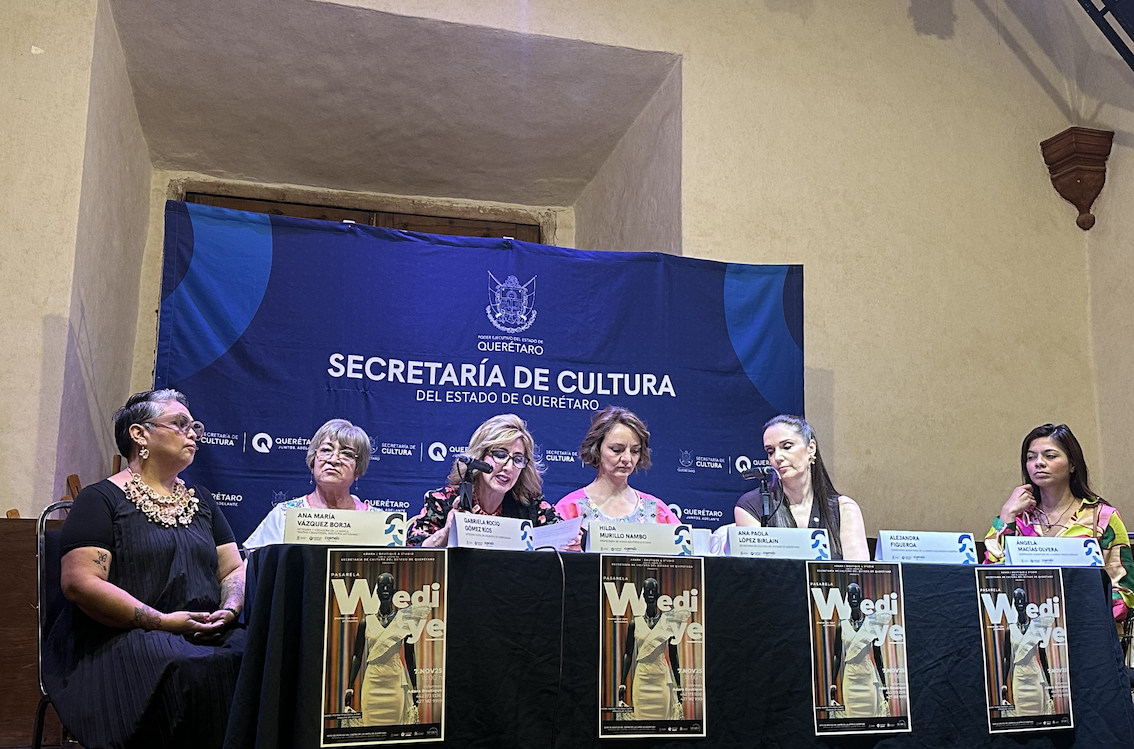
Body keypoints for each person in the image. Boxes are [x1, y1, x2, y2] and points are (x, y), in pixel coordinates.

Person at [43, 389, 245, 749]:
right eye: (180, 424)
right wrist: (163, 621)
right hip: (118, 637)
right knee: (187, 666)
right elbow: (80, 582)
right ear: (139, 434)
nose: (192, 433)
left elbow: (232, 569)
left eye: (194, 426)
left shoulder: (202, 501)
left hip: (202, 630)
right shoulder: (100, 499)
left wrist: (230, 608)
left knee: (258, 653)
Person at [984, 423, 1134, 622]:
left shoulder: (1102, 517)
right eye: (1031, 457)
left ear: (1072, 464)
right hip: (1027, 628)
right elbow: (990, 581)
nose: (1039, 463)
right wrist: (1006, 515)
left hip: (1088, 627)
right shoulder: (1019, 519)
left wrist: (1079, 617)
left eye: (1050, 455)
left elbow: (1123, 591)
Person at [407, 414, 567, 547]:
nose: (508, 467)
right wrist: (446, 533)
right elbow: (413, 552)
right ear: (480, 456)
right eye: (500, 455)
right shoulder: (443, 502)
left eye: (518, 459)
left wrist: (570, 542)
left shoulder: (530, 505)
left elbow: (563, 534)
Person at [734, 415, 869, 560]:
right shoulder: (751, 507)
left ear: (811, 448)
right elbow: (757, 570)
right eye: (770, 451)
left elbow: (856, 571)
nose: (777, 457)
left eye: (787, 447)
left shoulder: (844, 508)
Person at [243, 418, 377, 550]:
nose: (333, 459)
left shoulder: (377, 521)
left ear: (358, 468)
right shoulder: (284, 515)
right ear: (313, 461)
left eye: (347, 454)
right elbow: (256, 561)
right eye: (326, 450)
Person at [555, 406, 679, 527]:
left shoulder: (656, 510)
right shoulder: (571, 508)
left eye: (635, 451)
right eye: (616, 450)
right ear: (597, 449)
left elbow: (683, 540)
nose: (627, 458)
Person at [343, 573, 432, 726]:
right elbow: (357, 655)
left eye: (388, 587)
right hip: (372, 683)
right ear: (376, 591)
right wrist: (350, 687)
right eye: (382, 587)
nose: (385, 590)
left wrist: (415, 687)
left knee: (395, 728)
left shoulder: (404, 621)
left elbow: (410, 655)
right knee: (370, 728)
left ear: (393, 591)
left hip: (394, 682)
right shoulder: (366, 622)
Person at [619, 578, 687, 720]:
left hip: (661, 679)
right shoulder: (634, 623)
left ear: (658, 595)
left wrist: (679, 685)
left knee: (663, 720)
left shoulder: (667, 623)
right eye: (647, 591)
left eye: (653, 591)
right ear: (643, 595)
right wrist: (622, 683)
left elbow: (674, 656)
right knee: (641, 721)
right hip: (642, 679)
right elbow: (628, 654)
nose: (650, 594)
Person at [829, 583, 889, 718]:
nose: (854, 598)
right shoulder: (841, 626)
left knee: (871, 716)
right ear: (847, 599)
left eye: (856, 595)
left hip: (867, 677)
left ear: (861, 598)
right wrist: (833, 683)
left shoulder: (871, 625)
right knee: (852, 718)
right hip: (850, 679)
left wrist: (884, 683)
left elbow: (878, 656)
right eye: (851, 596)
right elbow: (837, 656)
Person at [999, 588, 1055, 717]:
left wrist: (1049, 683)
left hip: (1034, 676)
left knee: (1039, 713)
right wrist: (1004, 684)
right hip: (1019, 678)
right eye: (1017, 600)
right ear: (1013, 604)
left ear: (1026, 602)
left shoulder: (1036, 627)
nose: (1019, 603)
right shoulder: (1009, 630)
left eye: (1022, 600)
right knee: (1021, 715)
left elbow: (1043, 657)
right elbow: (1006, 658)